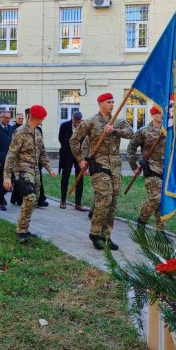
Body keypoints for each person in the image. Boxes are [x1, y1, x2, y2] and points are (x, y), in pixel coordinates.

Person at [70, 92, 134, 250]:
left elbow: (132, 133)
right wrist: (80, 160)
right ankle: (94, 233)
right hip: (99, 166)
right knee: (104, 198)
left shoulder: (117, 122)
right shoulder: (90, 122)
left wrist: (114, 131)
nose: (111, 104)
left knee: (112, 202)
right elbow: (74, 140)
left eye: (112, 101)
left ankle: (106, 236)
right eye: (108, 102)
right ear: (100, 104)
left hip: (115, 167)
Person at [3, 105, 57, 242]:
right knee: (30, 197)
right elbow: (11, 154)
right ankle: (21, 231)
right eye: (43, 118)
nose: (43, 120)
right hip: (22, 169)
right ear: (38, 118)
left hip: (35, 170)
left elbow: (42, 153)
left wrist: (50, 168)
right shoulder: (20, 132)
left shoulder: (37, 132)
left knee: (35, 199)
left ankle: (24, 228)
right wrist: (7, 176)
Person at [126, 106, 165, 230]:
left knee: (162, 202)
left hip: (166, 170)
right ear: (153, 115)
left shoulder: (168, 131)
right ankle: (142, 220)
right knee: (156, 199)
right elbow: (131, 147)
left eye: (162, 113)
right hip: (151, 168)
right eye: (158, 113)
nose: (161, 115)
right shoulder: (144, 131)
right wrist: (134, 166)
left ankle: (160, 230)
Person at [58, 111, 87, 211]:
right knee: (65, 176)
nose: (77, 123)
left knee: (80, 177)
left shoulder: (83, 127)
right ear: (72, 118)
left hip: (79, 155)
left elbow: (85, 141)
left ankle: (78, 203)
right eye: (75, 121)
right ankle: (63, 201)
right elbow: (60, 138)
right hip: (67, 154)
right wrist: (68, 149)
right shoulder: (64, 125)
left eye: (79, 122)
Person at [0, 110, 15, 211]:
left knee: (11, 180)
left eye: (9, 118)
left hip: (10, 160)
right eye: (6, 118)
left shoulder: (11, 129)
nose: (8, 120)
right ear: (1, 117)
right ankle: (0, 201)